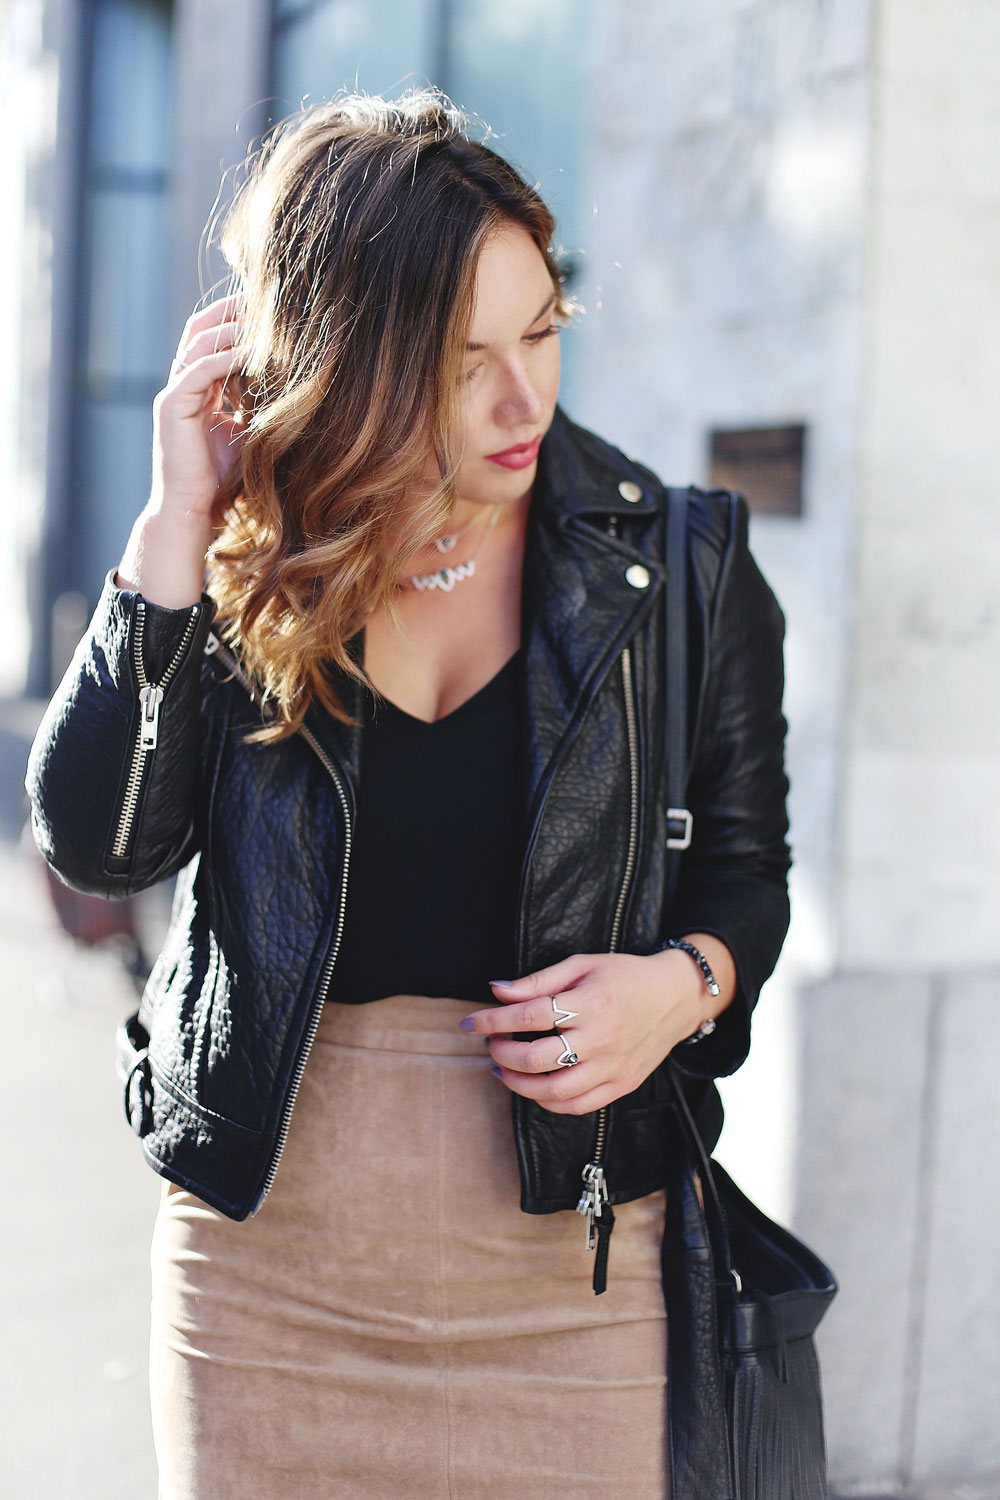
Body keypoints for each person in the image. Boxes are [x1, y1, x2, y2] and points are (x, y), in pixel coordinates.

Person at [26, 89, 790, 1500]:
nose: (524, 399)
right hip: (269, 1263)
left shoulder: (681, 567)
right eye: (461, 360)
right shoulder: (254, 556)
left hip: (576, 1257)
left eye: (544, 331)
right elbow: (102, 842)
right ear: (357, 360)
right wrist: (175, 526)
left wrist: (678, 988)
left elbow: (749, 873)